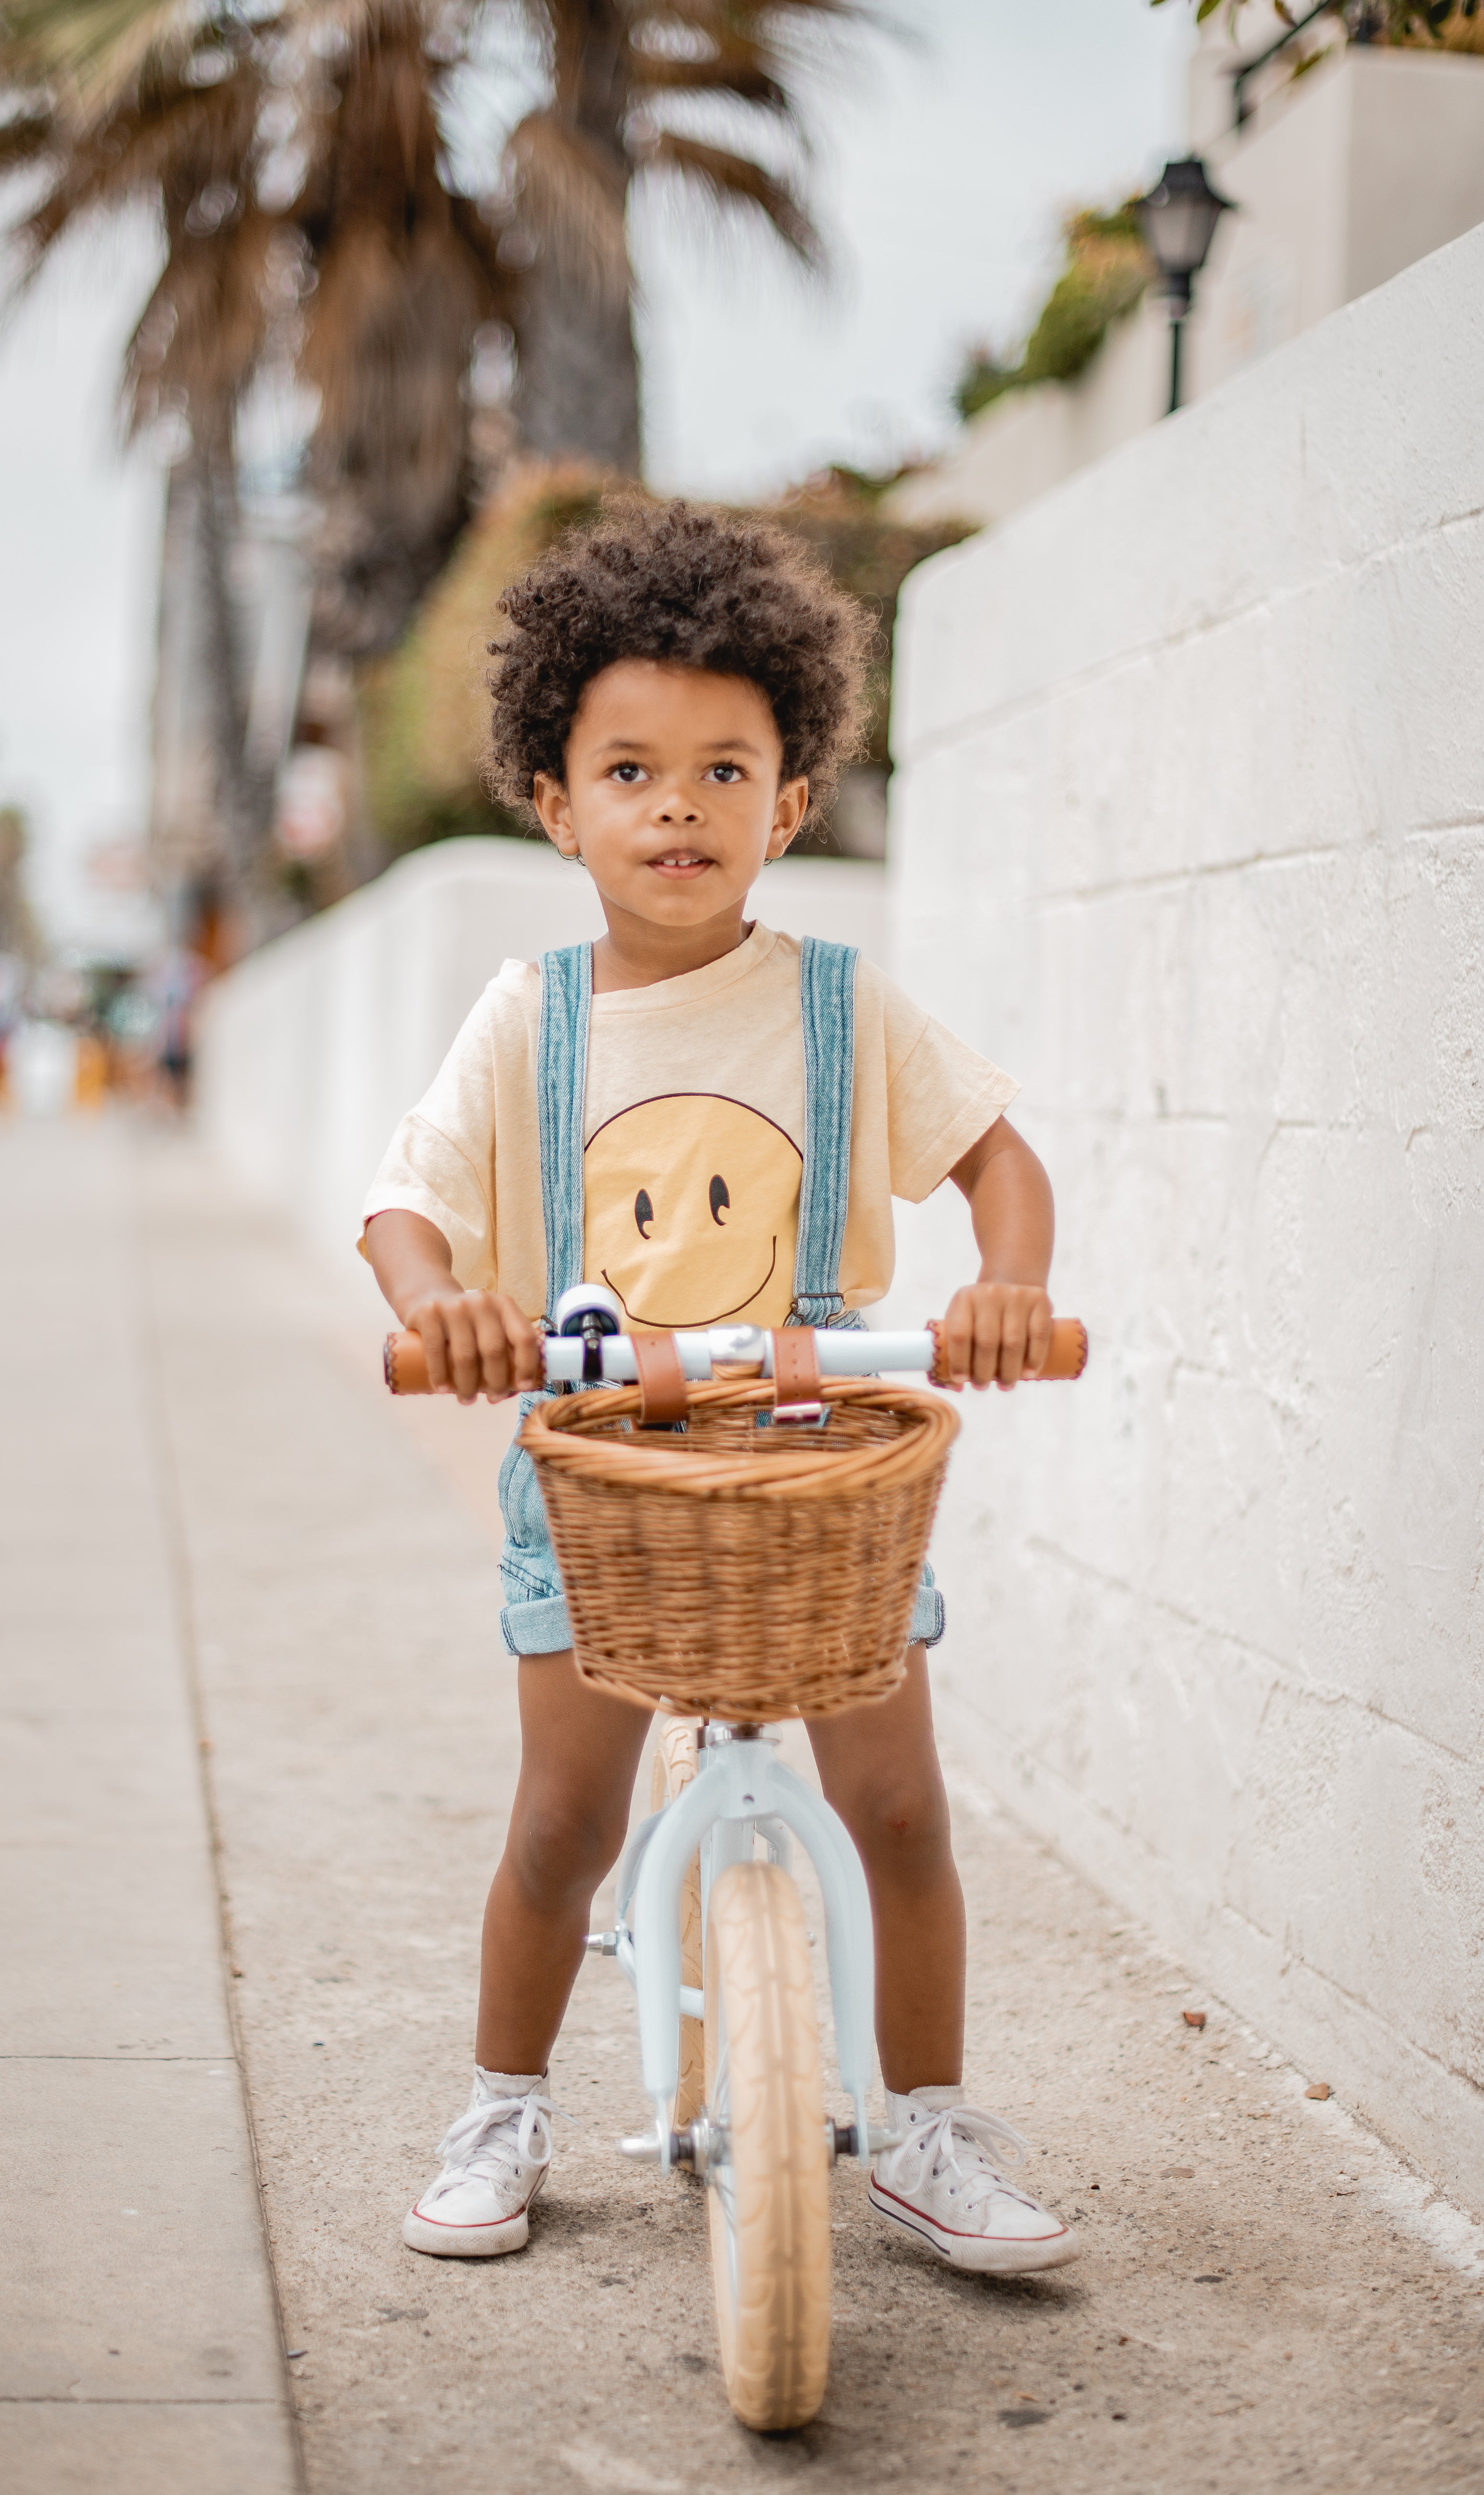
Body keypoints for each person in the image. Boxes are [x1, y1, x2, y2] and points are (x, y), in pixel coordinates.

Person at [361, 499, 1078, 2281]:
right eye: (628, 767)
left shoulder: (843, 1005)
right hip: (600, 1473)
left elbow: (1001, 1162)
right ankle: (503, 2096)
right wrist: (444, 1303)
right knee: (561, 1818)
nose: (676, 804)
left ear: (793, 799)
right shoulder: (528, 1016)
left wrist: (1007, 1282)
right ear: (554, 801)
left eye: (722, 767)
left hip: (822, 1459)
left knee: (900, 1803)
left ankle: (927, 2119)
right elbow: (405, 1205)